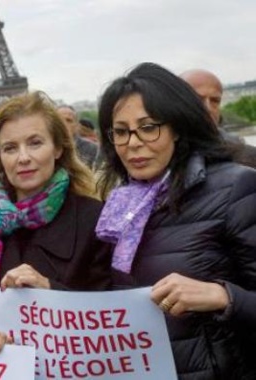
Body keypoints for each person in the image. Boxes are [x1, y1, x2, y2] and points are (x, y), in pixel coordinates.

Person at [95, 62, 256, 379]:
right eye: (121, 131)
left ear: (178, 128)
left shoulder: (237, 188)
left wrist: (222, 296)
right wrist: (44, 293)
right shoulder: (118, 204)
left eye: (149, 126)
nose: (133, 143)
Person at [0, 91, 112, 338]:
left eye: (35, 143)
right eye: (10, 148)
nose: (23, 158)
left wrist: (48, 289)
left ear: (58, 148)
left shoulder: (94, 218)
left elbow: (112, 314)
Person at [180, 68, 256, 168]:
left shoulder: (246, 158)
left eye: (215, 100)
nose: (208, 108)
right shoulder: (157, 152)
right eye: (197, 99)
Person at [57, 104, 99, 169]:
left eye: (69, 120)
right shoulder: (47, 149)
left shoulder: (93, 149)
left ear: (76, 125)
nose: (64, 125)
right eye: (59, 121)